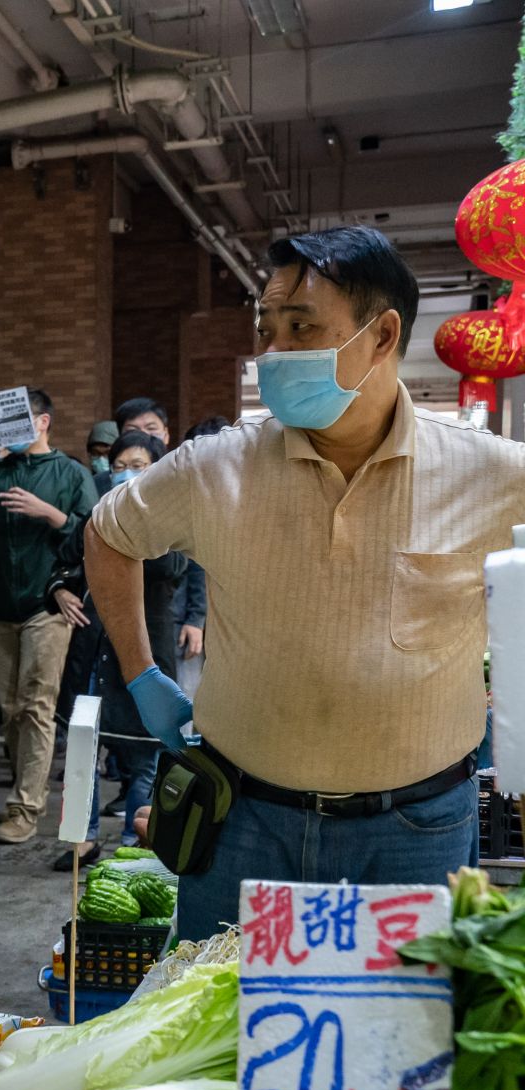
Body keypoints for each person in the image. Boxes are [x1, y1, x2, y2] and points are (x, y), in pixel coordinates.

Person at [86, 226, 525, 941]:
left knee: (395, 1043)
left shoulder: (493, 473)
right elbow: (108, 534)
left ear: (382, 338)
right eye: (268, 328)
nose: (274, 353)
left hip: (414, 830)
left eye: (301, 327)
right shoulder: (213, 467)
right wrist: (141, 675)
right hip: (242, 820)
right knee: (221, 1037)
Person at [46, 430, 184, 869]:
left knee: (144, 751)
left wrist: (134, 519)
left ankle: (134, 837)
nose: (124, 472)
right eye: (119, 464)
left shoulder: (172, 523)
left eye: (139, 465)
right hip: (92, 646)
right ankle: (82, 839)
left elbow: (171, 566)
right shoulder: (95, 516)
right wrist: (60, 592)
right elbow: (63, 563)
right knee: (84, 747)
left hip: (143, 650)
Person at [0, 388, 99, 844]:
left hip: (48, 606)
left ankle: (26, 808)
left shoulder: (70, 472)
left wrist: (51, 514)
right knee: (11, 711)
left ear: (42, 422)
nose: (8, 427)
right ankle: (29, 792)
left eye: (19, 418)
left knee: (37, 707)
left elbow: (92, 534)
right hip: (0, 609)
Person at [169, 416, 228, 704]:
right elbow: (196, 564)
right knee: (187, 700)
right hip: (191, 621)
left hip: (232, 626)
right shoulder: (189, 498)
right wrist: (195, 618)